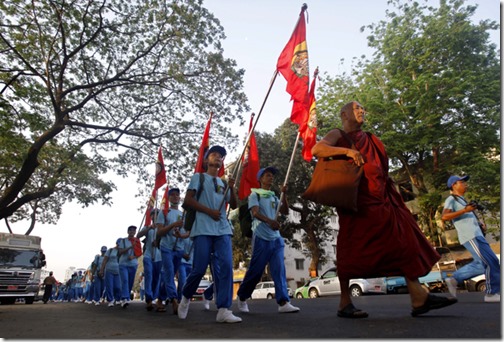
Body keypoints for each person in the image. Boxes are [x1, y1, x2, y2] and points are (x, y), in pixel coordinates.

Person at [311, 101, 457, 318]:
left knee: (405, 240)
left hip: (382, 201)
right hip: (356, 206)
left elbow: (382, 169)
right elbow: (317, 149)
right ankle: (344, 302)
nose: (362, 111)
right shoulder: (338, 134)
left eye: (363, 108)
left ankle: (418, 296)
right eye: (357, 108)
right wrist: (348, 152)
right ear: (344, 114)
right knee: (351, 250)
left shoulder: (372, 140)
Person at [178, 145, 241, 323]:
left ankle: (223, 309)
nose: (218, 157)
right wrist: (208, 211)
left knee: (226, 267)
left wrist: (232, 188)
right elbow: (188, 200)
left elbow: (234, 205)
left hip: (222, 228)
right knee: (199, 269)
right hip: (203, 228)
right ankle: (185, 296)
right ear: (206, 160)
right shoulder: (198, 177)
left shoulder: (223, 182)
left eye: (221, 156)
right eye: (214, 154)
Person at [236, 166, 300, 314]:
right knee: (256, 271)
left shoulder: (274, 196)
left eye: (272, 175)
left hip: (276, 239)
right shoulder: (255, 195)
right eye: (267, 175)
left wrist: (284, 195)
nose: (270, 177)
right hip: (261, 237)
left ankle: (283, 302)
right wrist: (270, 221)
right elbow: (255, 213)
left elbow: (285, 211)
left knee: (279, 270)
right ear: (260, 179)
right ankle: (242, 297)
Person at [441, 175, 500, 302]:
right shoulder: (451, 199)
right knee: (491, 262)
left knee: (481, 264)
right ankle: (491, 294)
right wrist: (464, 210)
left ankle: (454, 278)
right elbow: (445, 217)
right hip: (471, 236)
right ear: (453, 185)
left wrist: (480, 224)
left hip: (477, 234)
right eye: (462, 182)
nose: (465, 184)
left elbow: (467, 216)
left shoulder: (462, 200)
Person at [157, 187, 188, 314]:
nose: (175, 197)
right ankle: (174, 300)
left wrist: (181, 236)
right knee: (169, 273)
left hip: (179, 249)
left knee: (170, 275)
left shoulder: (184, 214)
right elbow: (159, 231)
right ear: (168, 198)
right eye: (172, 195)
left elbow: (188, 233)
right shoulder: (163, 213)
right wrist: (172, 225)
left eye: (177, 195)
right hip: (166, 248)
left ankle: (160, 297)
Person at [137, 209, 163, 311]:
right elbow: (138, 235)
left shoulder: (162, 227)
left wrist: (158, 242)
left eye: (157, 214)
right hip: (148, 255)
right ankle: (148, 298)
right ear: (151, 217)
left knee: (157, 278)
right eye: (153, 215)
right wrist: (148, 229)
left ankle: (154, 297)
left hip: (159, 256)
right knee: (149, 275)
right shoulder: (148, 226)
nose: (155, 216)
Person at [117, 226, 141, 308]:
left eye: (134, 230)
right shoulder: (123, 241)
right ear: (128, 231)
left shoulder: (137, 241)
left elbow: (139, 253)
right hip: (123, 264)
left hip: (133, 264)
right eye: (130, 230)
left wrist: (133, 257)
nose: (132, 232)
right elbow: (120, 252)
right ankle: (124, 298)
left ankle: (125, 296)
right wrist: (130, 247)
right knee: (125, 280)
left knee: (130, 282)